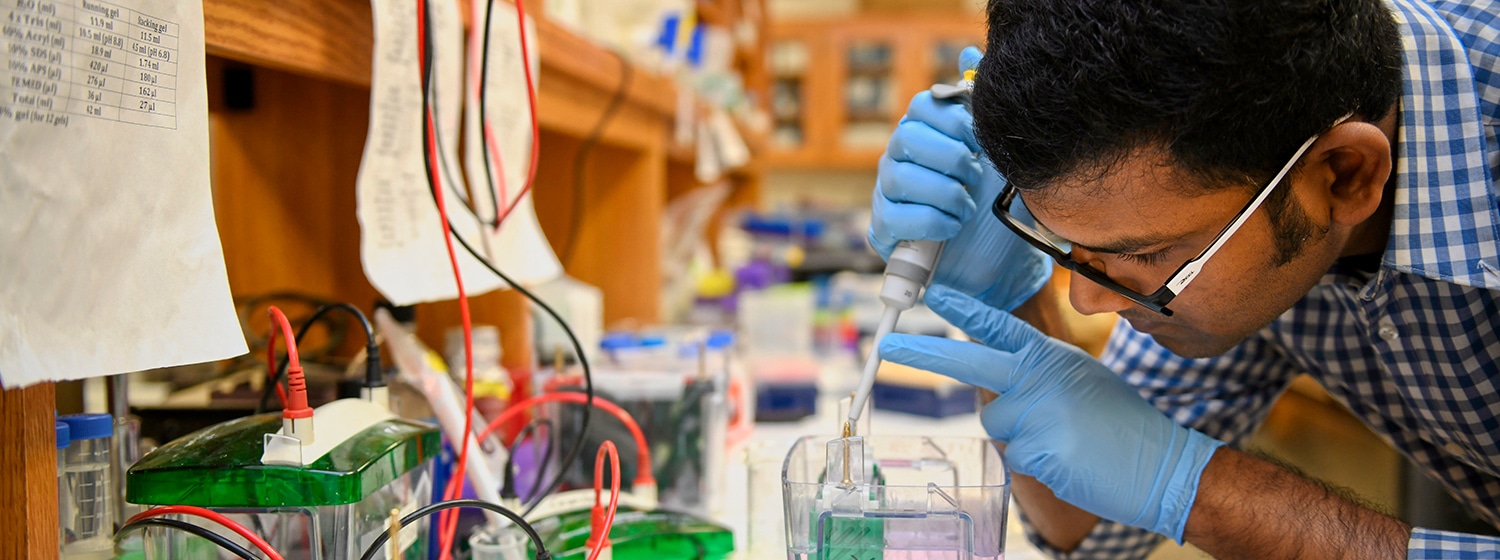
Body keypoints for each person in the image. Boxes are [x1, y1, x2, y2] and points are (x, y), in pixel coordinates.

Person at [867, 0, 1500, 558]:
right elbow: (1092, 530)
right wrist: (1011, 305)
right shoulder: (1235, 207)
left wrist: (1200, 490)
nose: (1087, 302)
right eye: (1067, 242)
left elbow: (1162, 490)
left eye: (1143, 254)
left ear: (1344, 175)